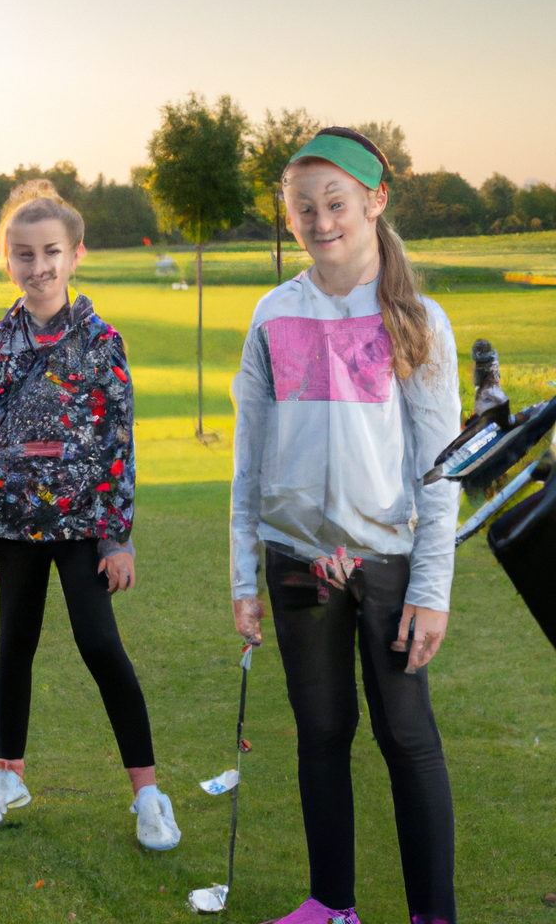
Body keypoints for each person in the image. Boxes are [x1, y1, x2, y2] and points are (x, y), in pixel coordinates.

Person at [229, 128, 461, 924]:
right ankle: (332, 906)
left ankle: (434, 914)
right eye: (303, 207)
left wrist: (431, 591)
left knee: (406, 738)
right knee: (321, 735)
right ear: (288, 216)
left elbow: (441, 473)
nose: (321, 219)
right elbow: (249, 456)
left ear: (374, 201)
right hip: (296, 560)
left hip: (390, 565)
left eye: (335, 202)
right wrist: (241, 577)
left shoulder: (417, 320)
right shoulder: (273, 313)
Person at [0, 181, 180, 851]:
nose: (38, 266)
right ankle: (7, 777)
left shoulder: (102, 342)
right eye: (23, 255)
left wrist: (118, 537)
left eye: (51, 252)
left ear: (75, 254)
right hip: (13, 524)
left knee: (100, 645)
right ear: (7, 261)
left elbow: (119, 444)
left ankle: (148, 793)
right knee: (13, 648)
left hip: (84, 527)